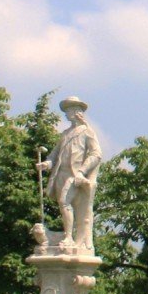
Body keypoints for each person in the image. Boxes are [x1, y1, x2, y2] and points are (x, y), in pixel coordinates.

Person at [44, 96, 102, 251]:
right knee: (63, 204)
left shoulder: (87, 132)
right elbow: (54, 155)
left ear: (77, 112)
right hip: (60, 175)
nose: (66, 113)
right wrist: (46, 164)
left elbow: (96, 154)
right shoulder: (65, 134)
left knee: (64, 202)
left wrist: (82, 172)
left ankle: (69, 237)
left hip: (75, 176)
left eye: (69, 109)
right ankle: (68, 235)